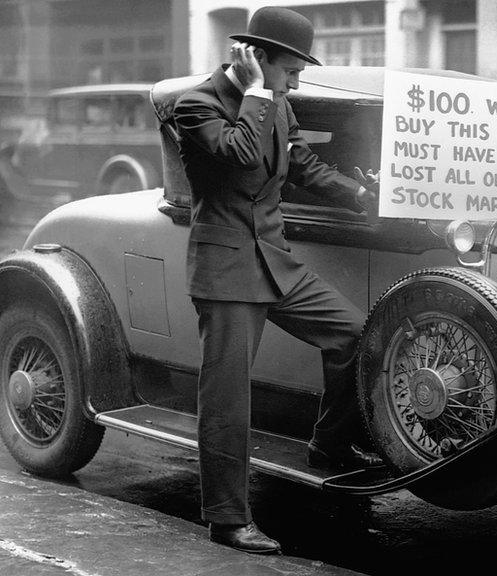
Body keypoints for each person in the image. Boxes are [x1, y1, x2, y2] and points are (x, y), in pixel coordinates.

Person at [172, 6, 382, 554]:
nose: (296, 82)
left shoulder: (279, 104)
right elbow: (239, 154)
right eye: (290, 71)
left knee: (354, 335)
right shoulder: (195, 105)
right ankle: (227, 519)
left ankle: (328, 445)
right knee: (227, 401)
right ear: (258, 59)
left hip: (274, 260)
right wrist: (258, 94)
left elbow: (302, 165)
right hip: (226, 271)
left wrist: (361, 194)